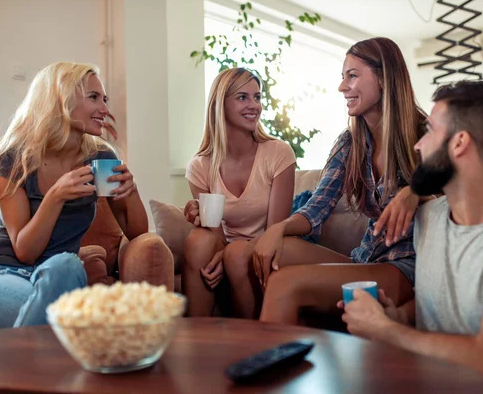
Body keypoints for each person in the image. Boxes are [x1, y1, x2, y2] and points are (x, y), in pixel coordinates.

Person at [338, 80, 483, 392]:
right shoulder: (428, 219)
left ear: (459, 142)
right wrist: (394, 316)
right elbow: (439, 310)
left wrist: (385, 331)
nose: (418, 145)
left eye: (430, 130)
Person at [255, 37, 430, 325]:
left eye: (352, 76)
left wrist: (414, 192)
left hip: (404, 267)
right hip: (364, 260)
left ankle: (263, 364)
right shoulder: (350, 143)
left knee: (283, 284)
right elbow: (316, 209)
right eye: (342, 77)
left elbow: (459, 191)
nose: (341, 87)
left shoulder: (427, 134)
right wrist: (279, 229)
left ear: (384, 78)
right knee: (254, 252)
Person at [0, 62, 149, 329]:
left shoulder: (100, 158)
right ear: (61, 101)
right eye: (94, 98)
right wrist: (55, 196)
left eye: (104, 99)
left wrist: (132, 190)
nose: (104, 109)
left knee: (67, 264)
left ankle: (34, 352)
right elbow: (26, 251)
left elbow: (137, 232)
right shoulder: (14, 159)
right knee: (59, 320)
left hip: (55, 275)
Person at [183, 68, 296, 318]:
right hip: (227, 253)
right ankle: (195, 338)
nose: (254, 105)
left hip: (269, 250)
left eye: (257, 97)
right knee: (197, 240)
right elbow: (216, 236)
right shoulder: (200, 166)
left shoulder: (278, 153)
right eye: (242, 97)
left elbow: (274, 231)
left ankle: (255, 341)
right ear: (219, 104)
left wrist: (229, 254)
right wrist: (201, 221)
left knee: (235, 254)